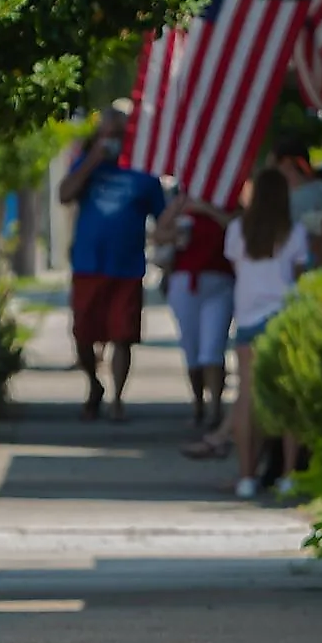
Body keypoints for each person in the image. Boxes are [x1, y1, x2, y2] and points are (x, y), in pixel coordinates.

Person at [59, 102, 165, 422]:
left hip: (127, 267)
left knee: (122, 336)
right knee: (83, 335)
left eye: (118, 133)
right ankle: (94, 384)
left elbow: (163, 218)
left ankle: (117, 399)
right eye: (107, 132)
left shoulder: (144, 174)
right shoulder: (86, 165)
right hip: (88, 266)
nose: (113, 138)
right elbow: (64, 194)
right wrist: (93, 159)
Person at [225, 165, 309, 499]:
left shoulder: (237, 230)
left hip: (247, 318)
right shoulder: (294, 231)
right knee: (287, 398)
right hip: (283, 317)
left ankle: (246, 476)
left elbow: (236, 268)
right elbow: (300, 274)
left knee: (246, 396)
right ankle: (288, 475)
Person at [160, 192, 234, 433]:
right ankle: (198, 404)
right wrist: (177, 225)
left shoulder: (226, 201)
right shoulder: (181, 204)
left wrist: (208, 209)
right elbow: (158, 234)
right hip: (185, 282)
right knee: (191, 347)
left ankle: (215, 408)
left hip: (220, 281)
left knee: (212, 348)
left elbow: (236, 228)